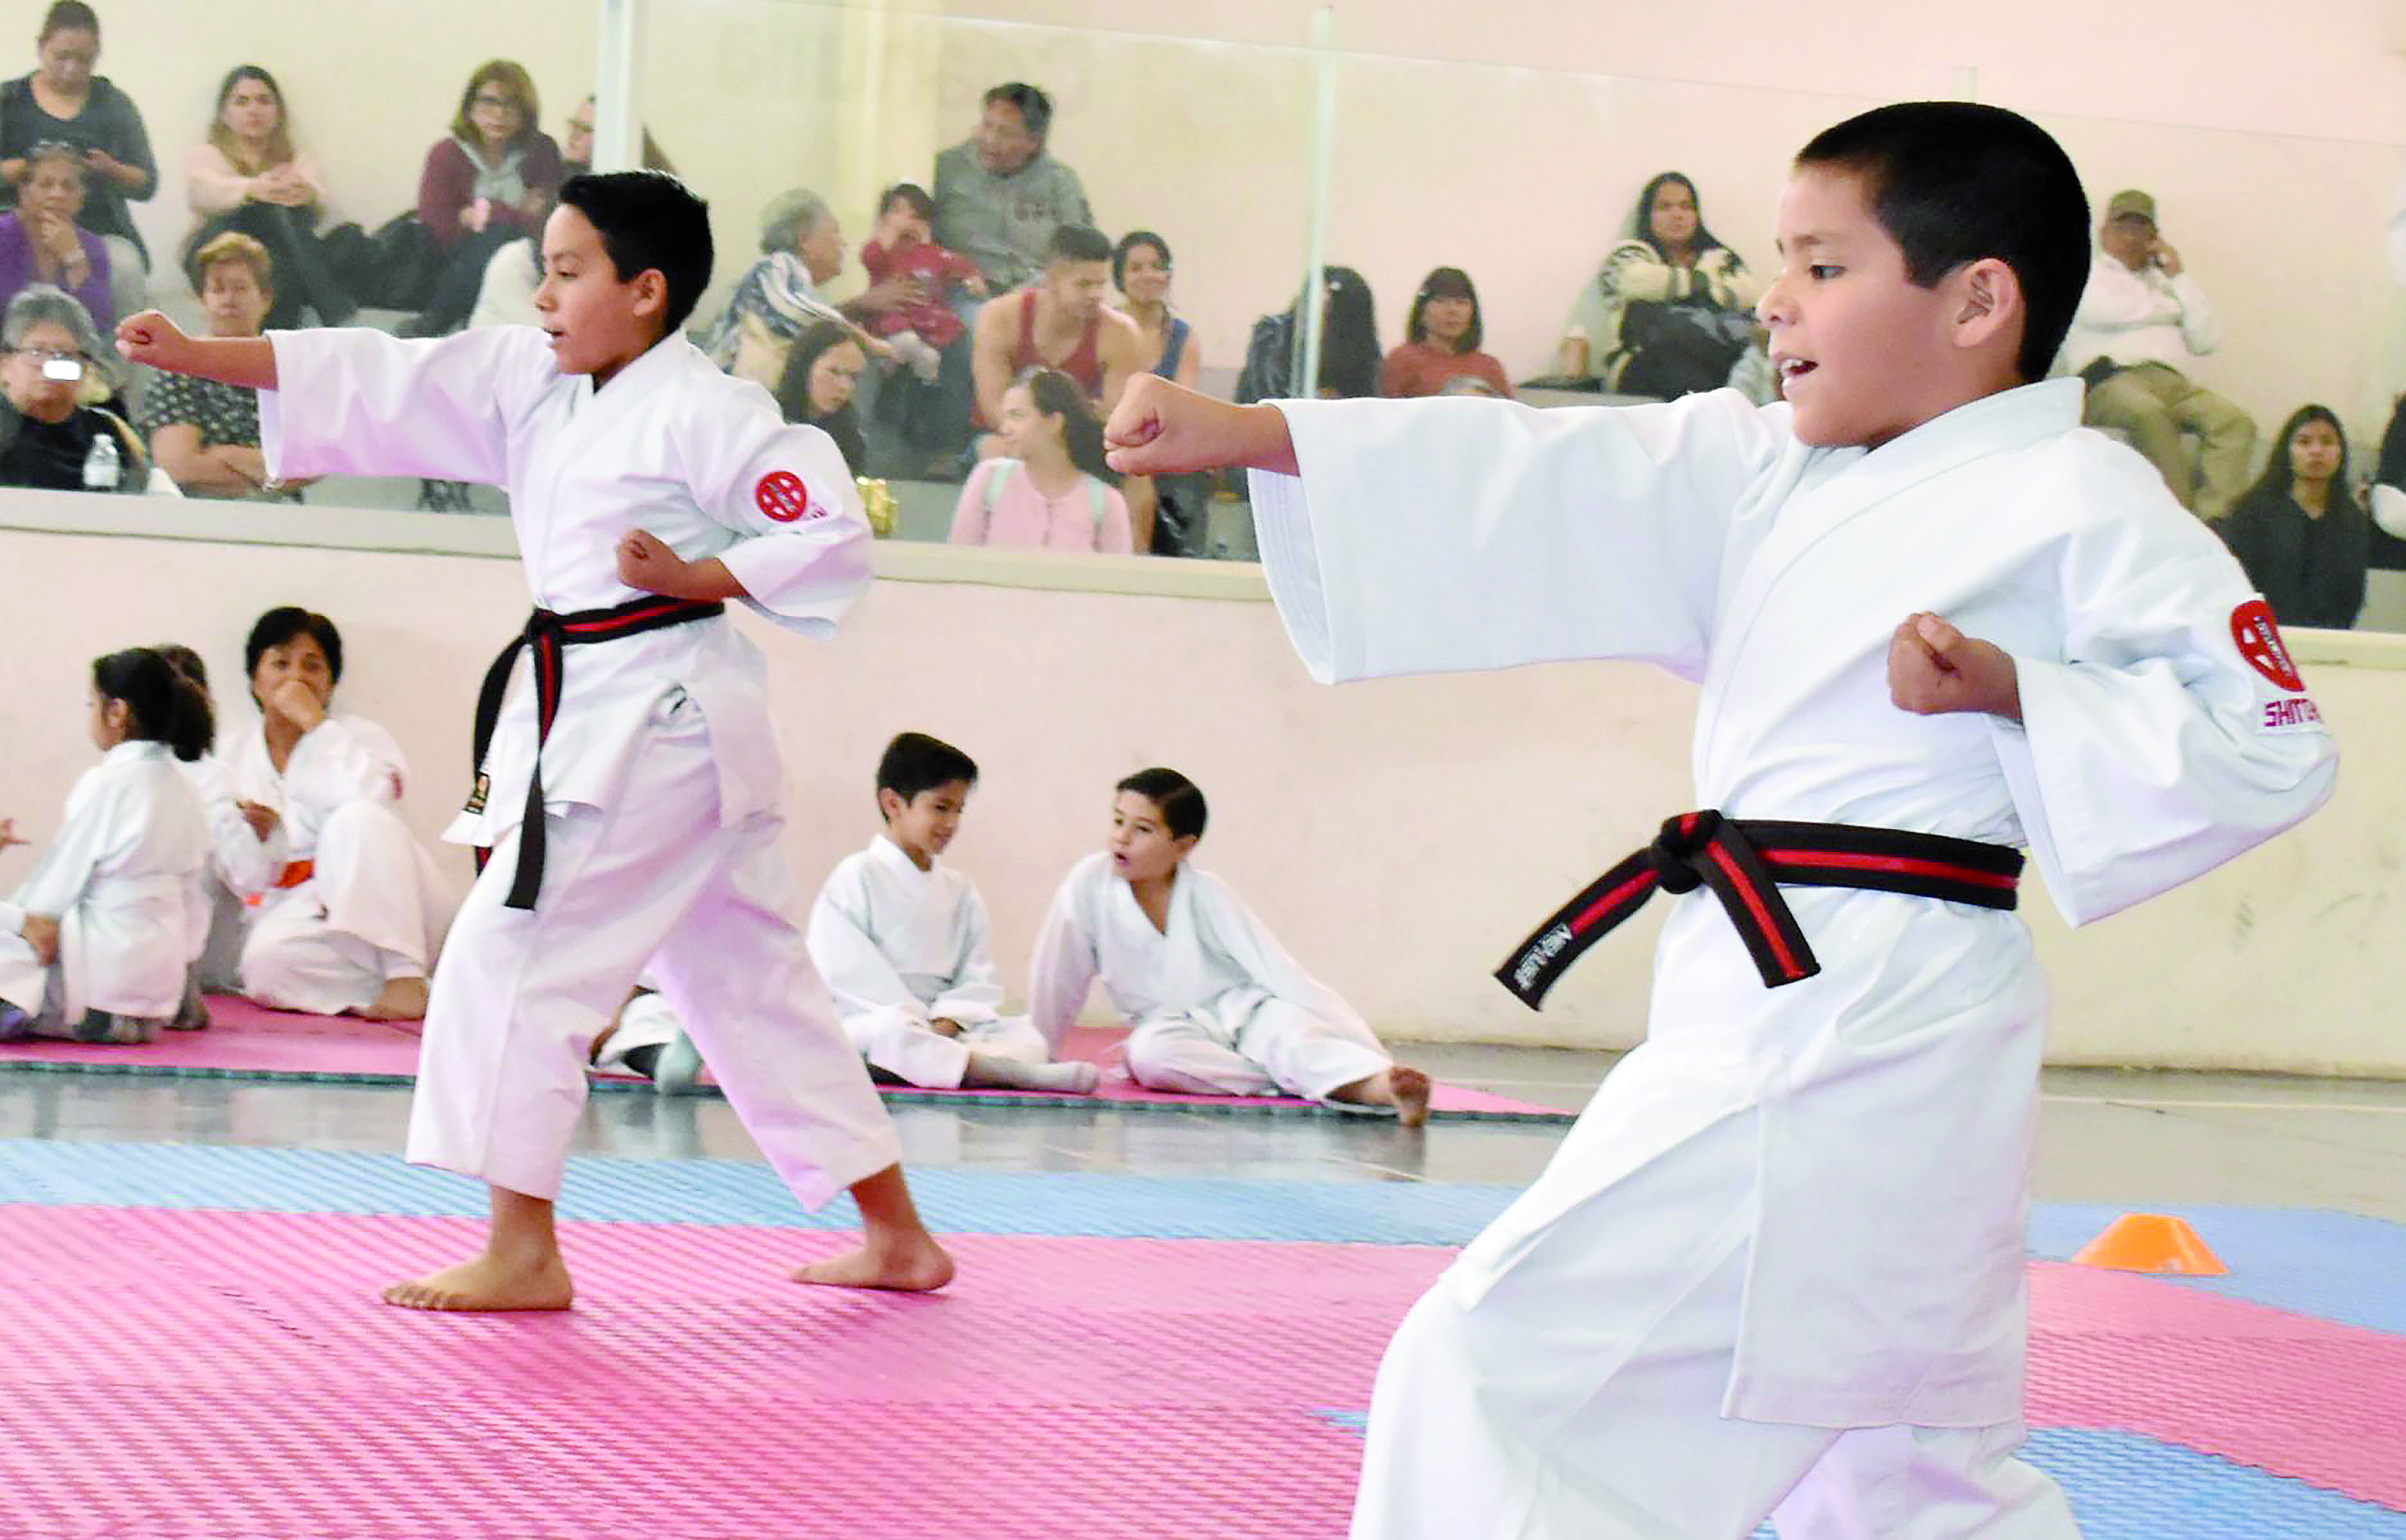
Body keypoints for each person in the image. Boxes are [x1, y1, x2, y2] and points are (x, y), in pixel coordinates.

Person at [1102, 102, 2338, 1537]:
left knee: (1494, 1373)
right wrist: (1265, 436)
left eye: (1822, 265)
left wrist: (2015, 690)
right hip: (1789, 999)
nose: (1773, 298)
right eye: (1779, 262)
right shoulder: (1769, 468)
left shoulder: (2078, 493)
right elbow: (1558, 471)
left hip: (1854, 1020)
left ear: (1977, 300)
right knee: (1890, 1469)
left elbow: (2268, 737)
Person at [116, 169, 955, 1311]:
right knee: (745, 979)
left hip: (654, 719)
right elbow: (382, 372)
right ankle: (896, 1233)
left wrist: (701, 570)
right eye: (543, 271)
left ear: (646, 289)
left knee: (512, 953)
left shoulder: (708, 408)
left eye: (569, 272)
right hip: (613, 706)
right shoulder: (532, 380)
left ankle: (522, 1245)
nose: (545, 294)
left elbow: (821, 518)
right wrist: (203, 355)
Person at [1028, 768, 1429, 1121]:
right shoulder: (1089, 884)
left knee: (1289, 1035)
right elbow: (1057, 973)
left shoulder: (1208, 893)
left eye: (1143, 829)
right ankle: (1298, 1077)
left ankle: (1383, 1087)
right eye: (1118, 821)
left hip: (1245, 1011)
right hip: (1169, 1029)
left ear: (1183, 844)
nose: (1121, 837)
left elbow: (1275, 967)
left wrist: (1338, 1024)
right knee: (1150, 1057)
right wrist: (1039, 1050)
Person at [805, 732, 1098, 1094]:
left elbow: (976, 974)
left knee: (1028, 1038)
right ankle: (1010, 1074)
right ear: (893, 803)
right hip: (878, 1017)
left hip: (945, 1026)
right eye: (941, 808)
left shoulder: (959, 889)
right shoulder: (855, 876)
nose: (952, 823)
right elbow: (845, 974)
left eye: (959, 810)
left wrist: (948, 1021)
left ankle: (950, 1064)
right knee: (885, 1036)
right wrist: (914, 1021)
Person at [226, 607, 453, 1022]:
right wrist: (264, 839)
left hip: (404, 915)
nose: (296, 678)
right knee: (264, 965)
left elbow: (372, 800)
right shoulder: (230, 758)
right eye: (280, 663)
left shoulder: (363, 738)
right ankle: (417, 992)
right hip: (311, 914)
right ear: (255, 682)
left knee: (357, 818)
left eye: (312, 667)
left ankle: (405, 974)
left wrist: (314, 724)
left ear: (329, 686)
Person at [0, 647, 207, 1045]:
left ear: (117, 712)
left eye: (91, 703)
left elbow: (50, 898)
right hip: (156, 994)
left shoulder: (108, 783)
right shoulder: (187, 789)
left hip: (97, 984)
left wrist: (21, 922)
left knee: (15, 929)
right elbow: (194, 900)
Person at [2059, 189, 2253, 521]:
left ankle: (2214, 524)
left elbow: (2206, 340)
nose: (2133, 237)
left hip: (2171, 383)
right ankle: (2181, 520)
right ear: (2105, 232)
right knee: (2148, 414)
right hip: (2112, 382)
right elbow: (2104, 312)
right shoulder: (2086, 273)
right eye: (2124, 228)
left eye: (2142, 229)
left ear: (2155, 237)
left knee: (2235, 423)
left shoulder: (2168, 282)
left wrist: (2179, 277)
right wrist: (2167, 308)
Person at [0, 3, 154, 325]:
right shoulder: (9, 101)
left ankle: (114, 369)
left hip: (96, 230)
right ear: (41, 47)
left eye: (82, 59)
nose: (71, 68)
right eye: (61, 56)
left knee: (126, 267)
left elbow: (146, 182)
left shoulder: (113, 104)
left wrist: (112, 169)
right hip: (15, 226)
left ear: (97, 54)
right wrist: (12, 172)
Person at [1558, 171, 1762, 399]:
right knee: (1686, 377)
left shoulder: (1721, 256)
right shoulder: (1627, 253)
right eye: (1664, 207)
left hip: (1714, 352)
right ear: (1648, 215)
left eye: (1686, 206)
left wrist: (1683, 288)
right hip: (1640, 360)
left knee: (1753, 368)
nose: (1677, 215)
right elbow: (1637, 281)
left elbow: (1750, 294)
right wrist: (1708, 284)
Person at [181, 64, 352, 331]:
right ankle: (332, 307)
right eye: (242, 102)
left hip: (272, 260)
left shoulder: (297, 158)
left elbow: (318, 199)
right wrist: (254, 189)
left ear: (278, 112)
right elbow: (203, 194)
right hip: (215, 250)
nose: (254, 110)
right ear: (225, 114)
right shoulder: (208, 153)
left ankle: (274, 351)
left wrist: (302, 192)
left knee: (280, 224)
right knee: (264, 210)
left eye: (264, 101)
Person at [142, 232, 303, 500]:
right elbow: (178, 467)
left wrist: (224, 454)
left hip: (282, 520)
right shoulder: (177, 370)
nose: (229, 299)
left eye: (240, 288)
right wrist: (261, 471)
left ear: (266, 299)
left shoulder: (287, 373)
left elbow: (304, 469)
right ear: (202, 300)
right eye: (218, 289)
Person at [407, 60, 562, 337]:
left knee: (502, 234)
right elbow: (437, 228)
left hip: (522, 260)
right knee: (496, 236)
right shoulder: (446, 154)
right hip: (453, 263)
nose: (499, 114)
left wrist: (483, 214)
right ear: (469, 107)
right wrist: (517, 212)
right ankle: (445, 314)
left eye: (511, 105)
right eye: (489, 102)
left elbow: (549, 220)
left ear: (526, 112)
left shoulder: (542, 150)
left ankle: (439, 316)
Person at [157, 642, 278, 995]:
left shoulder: (213, 777)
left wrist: (261, 837)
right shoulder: (117, 776)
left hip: (194, 955)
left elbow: (249, 877)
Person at [697, 188, 883, 390]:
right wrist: (858, 336)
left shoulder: (793, 279)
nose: (843, 243)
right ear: (804, 240)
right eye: (835, 231)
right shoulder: (777, 264)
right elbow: (790, 310)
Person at [969, 222, 1142, 436]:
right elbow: (994, 406)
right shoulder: (999, 317)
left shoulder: (1120, 332)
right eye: (1084, 284)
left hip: (1077, 441)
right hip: (1004, 436)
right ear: (1050, 280)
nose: (1096, 295)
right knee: (994, 449)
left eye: (1101, 284)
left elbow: (1115, 420)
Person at [2217, 406, 2370, 630]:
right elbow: (2237, 587)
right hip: (2260, 640)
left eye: (2327, 442)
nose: (2316, 451)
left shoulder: (2352, 520)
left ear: (2341, 452)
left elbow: (2351, 596)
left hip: (2328, 641)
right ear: (2287, 451)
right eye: (2304, 442)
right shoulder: (2253, 512)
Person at [932, 82, 1092, 295]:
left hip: (1037, 295)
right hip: (964, 291)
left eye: (1005, 133)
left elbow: (1080, 254)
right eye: (987, 125)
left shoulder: (1061, 182)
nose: (990, 140)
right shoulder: (946, 169)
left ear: (1033, 142)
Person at [949, 367, 1132, 552]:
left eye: (1017, 416)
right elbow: (957, 562)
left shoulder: (1107, 502)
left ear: (1054, 423)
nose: (1005, 428)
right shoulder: (988, 479)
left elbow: (1118, 577)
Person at [1114, 228, 1209, 557]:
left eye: (1156, 266)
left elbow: (1179, 403)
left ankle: (1185, 564)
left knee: (1190, 475)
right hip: (1111, 441)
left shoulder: (1184, 336)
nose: (1148, 275)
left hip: (1160, 442)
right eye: (1136, 267)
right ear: (1120, 277)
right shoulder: (1107, 327)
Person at [0, 283, 139, 490]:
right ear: (5, 364)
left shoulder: (108, 434)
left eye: (64, 355)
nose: (49, 366)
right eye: (37, 352)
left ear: (85, 368)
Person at [859, 182, 984, 382]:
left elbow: (957, 263)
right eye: (898, 212)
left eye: (914, 216)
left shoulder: (932, 252)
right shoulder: (885, 252)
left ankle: (919, 369)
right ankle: (900, 354)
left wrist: (973, 278)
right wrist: (889, 232)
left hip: (928, 319)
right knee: (900, 332)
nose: (906, 221)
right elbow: (870, 257)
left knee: (949, 338)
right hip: (895, 316)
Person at [1234, 265, 1379, 404]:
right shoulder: (1272, 334)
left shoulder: (1357, 348)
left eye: (1327, 312)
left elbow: (1364, 399)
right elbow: (1266, 396)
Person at [0, 140, 106, 323]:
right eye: (46, 185)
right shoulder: (4, 235)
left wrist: (75, 260)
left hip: (67, 348)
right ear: (24, 193)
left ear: (81, 198)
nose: (57, 194)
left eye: (68, 186)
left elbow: (101, 323)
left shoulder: (91, 245)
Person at [1382, 266, 1512, 400]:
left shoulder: (1490, 367)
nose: (1452, 310)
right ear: (1421, 312)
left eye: (1461, 302)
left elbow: (1508, 416)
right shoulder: (1402, 361)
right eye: (1440, 301)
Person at [771, 318, 867, 474]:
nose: (845, 387)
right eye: (834, 371)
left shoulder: (849, 436)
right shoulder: (766, 419)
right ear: (804, 366)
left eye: (853, 377)